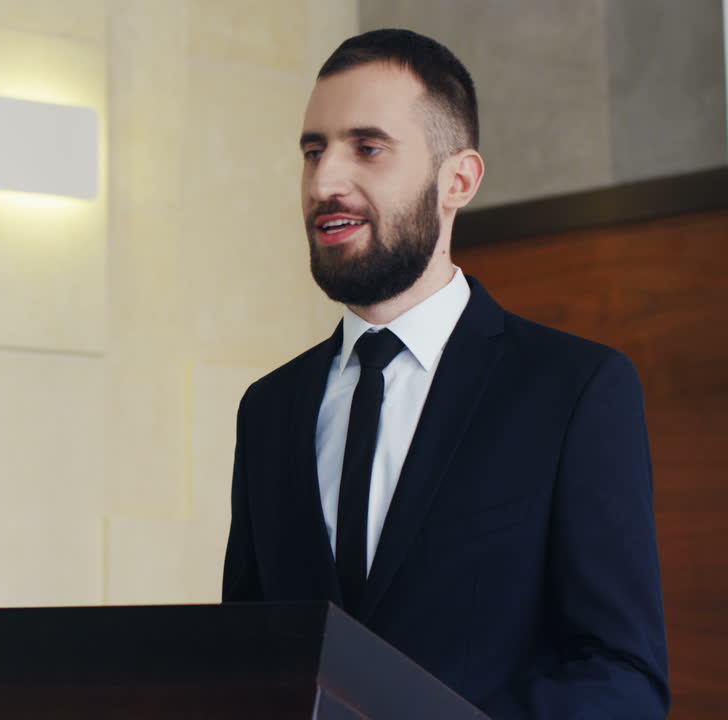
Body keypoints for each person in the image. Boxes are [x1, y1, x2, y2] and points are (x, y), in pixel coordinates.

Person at [221, 29, 669, 718]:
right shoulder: (268, 409)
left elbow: (623, 676)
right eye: (314, 151)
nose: (324, 183)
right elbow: (248, 659)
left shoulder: (576, 389)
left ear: (458, 180)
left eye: (366, 147)